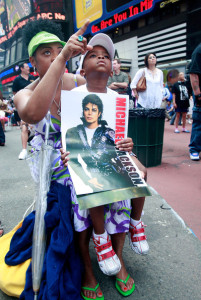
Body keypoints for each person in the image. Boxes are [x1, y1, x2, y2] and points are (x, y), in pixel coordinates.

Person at [0, 19, 135, 300]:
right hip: (56, 165)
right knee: (78, 194)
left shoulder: (78, 81)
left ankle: (117, 255)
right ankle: (87, 267)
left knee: (122, 181)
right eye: (45, 53)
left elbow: (107, 104)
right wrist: (63, 58)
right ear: (32, 60)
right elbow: (33, 115)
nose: (53, 57)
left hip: (91, 153)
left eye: (57, 50)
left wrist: (123, 140)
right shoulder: (24, 94)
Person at [61, 33, 149, 299]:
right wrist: (68, 154)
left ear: (112, 68)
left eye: (106, 55)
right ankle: (95, 254)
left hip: (110, 157)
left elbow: (120, 138)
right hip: (79, 161)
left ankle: (130, 233)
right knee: (93, 184)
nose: (101, 57)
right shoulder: (72, 96)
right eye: (92, 54)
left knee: (141, 172)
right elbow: (68, 138)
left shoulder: (118, 98)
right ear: (82, 68)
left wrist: (128, 146)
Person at [12, 62, 36, 159]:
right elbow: (15, 93)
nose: (28, 68)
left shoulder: (33, 78)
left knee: (35, 127)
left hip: (35, 105)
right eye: (26, 67)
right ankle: (24, 150)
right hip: (24, 106)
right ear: (21, 69)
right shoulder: (17, 80)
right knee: (24, 126)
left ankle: (35, 146)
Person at [188, 43, 201, 161]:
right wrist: (198, 94)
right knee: (199, 122)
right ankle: (194, 149)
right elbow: (193, 74)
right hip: (200, 96)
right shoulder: (198, 51)